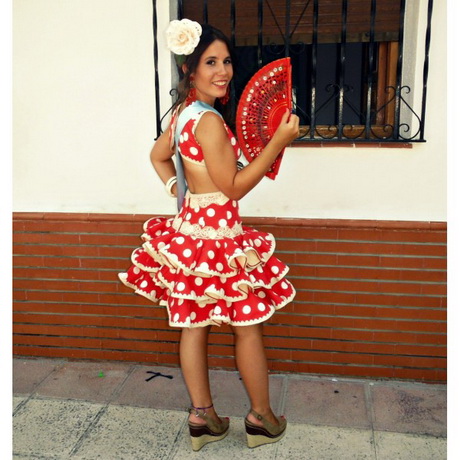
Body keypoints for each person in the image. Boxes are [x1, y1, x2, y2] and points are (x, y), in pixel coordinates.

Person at [118, 18, 299, 451]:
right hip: (220, 239)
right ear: (189, 70)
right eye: (210, 62)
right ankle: (261, 418)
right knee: (247, 327)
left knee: (194, 327)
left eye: (227, 61)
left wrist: (179, 190)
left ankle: (203, 417)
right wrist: (278, 142)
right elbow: (233, 187)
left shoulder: (185, 115)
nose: (222, 71)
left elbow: (159, 156)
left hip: (189, 236)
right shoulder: (211, 123)